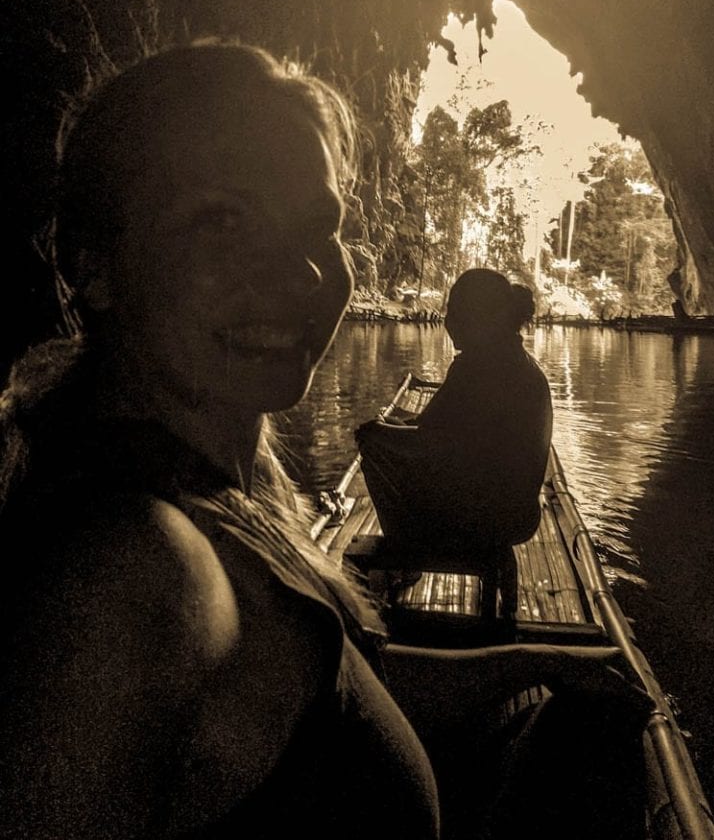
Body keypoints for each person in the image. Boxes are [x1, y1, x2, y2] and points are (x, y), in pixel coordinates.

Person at [0, 42, 649, 840]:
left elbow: (330, 689)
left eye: (319, 226)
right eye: (223, 220)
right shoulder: (131, 571)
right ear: (91, 264)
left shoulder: (221, 493)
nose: (304, 274)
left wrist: (524, 665)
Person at [354, 271, 552, 613]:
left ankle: (406, 551)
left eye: (454, 312)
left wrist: (380, 430)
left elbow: (426, 436)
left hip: (480, 516)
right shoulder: (521, 365)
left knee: (371, 439)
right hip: (520, 515)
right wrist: (407, 425)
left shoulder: (474, 368)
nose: (448, 322)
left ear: (480, 318)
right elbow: (442, 427)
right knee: (394, 432)